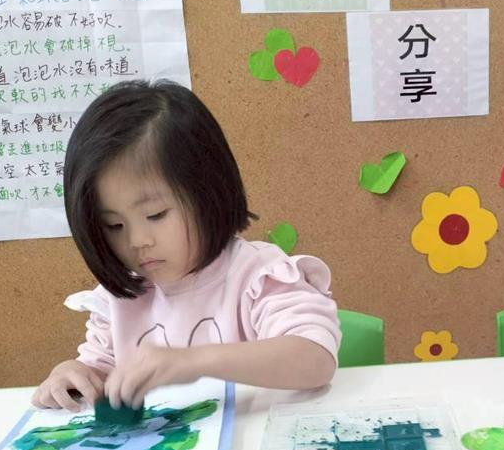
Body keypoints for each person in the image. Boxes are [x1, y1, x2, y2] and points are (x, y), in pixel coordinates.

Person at [33, 80, 340, 412]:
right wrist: (72, 375)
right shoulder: (121, 299)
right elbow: (98, 371)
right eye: (114, 225)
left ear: (209, 192)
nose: (137, 241)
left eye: (156, 214)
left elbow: (316, 360)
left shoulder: (258, 276)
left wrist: (193, 361)